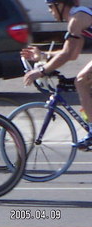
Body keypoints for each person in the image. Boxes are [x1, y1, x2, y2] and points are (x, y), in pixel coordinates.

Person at [21, 0, 92, 150]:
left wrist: (41, 71)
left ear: (61, 5)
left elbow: (66, 55)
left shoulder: (76, 20)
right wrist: (43, 55)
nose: (49, 11)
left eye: (50, 6)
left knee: (81, 80)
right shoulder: (76, 20)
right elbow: (73, 54)